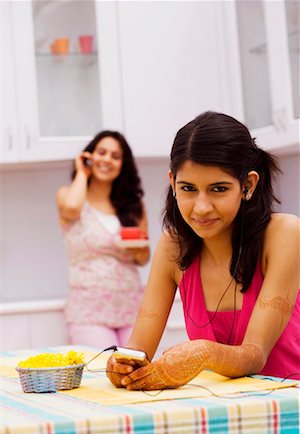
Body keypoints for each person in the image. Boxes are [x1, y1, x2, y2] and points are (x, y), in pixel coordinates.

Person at [106, 111, 300, 390]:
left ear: (248, 185)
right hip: (219, 413)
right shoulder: (173, 246)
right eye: (188, 188)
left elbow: (255, 355)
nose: (201, 207)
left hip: (288, 407)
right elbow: (138, 349)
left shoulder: (284, 234)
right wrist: (123, 366)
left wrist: (203, 353)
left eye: (218, 189)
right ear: (173, 183)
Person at [56, 130, 150, 347]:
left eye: (115, 156)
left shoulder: (133, 206)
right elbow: (70, 209)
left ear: (122, 165)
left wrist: (136, 248)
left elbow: (143, 258)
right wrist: (82, 172)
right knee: (102, 374)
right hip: (89, 311)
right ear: (89, 156)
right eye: (102, 152)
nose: (107, 159)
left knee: (135, 373)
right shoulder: (68, 196)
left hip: (131, 306)